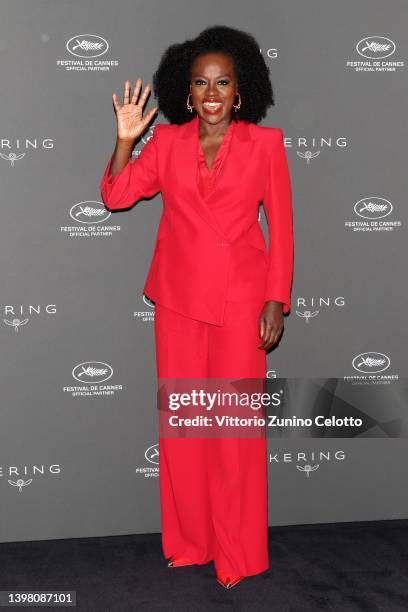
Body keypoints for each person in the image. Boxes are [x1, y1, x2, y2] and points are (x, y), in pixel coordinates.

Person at [100, 25, 294, 589]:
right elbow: (114, 196)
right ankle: (190, 544)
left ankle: (239, 553)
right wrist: (125, 140)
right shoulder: (167, 144)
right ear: (187, 93)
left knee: (232, 432)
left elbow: (280, 229)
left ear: (240, 91)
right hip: (180, 300)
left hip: (241, 301)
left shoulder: (266, 145)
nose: (212, 93)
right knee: (186, 428)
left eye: (223, 82)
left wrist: (276, 299)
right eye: (201, 83)